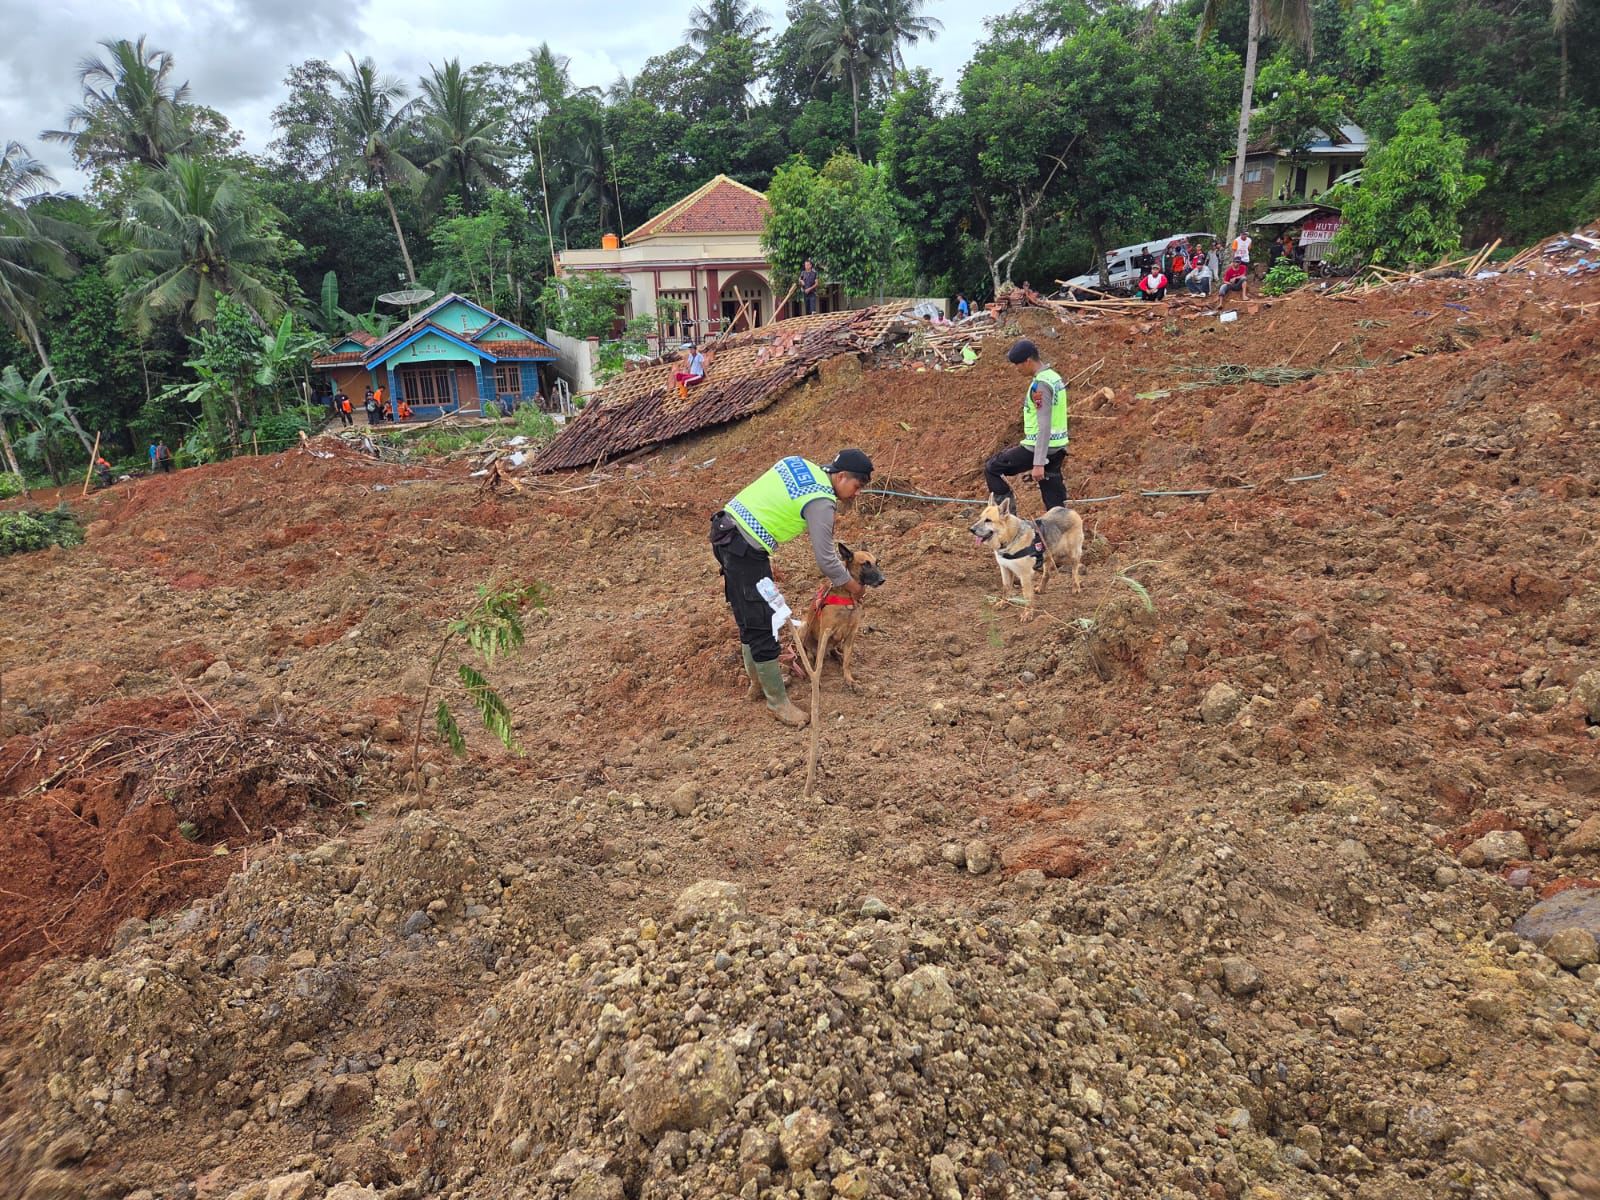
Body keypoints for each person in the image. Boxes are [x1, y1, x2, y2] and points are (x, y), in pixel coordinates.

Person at [710, 449, 874, 728]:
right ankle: (777, 702)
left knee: (748, 616)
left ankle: (758, 685)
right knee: (763, 624)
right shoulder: (822, 501)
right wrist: (852, 586)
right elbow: (826, 558)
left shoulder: (799, 464)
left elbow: (771, 500)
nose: (856, 494)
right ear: (842, 476)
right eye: (856, 486)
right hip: (745, 549)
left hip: (725, 531)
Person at [984, 339, 1069, 513]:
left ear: (1028, 361)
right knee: (1053, 496)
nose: (1017, 369)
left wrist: (1038, 463)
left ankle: (1007, 519)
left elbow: (1044, 423)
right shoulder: (1054, 377)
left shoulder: (1040, 387)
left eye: (1018, 365)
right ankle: (1060, 531)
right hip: (1057, 447)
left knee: (993, 468)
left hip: (1038, 448)